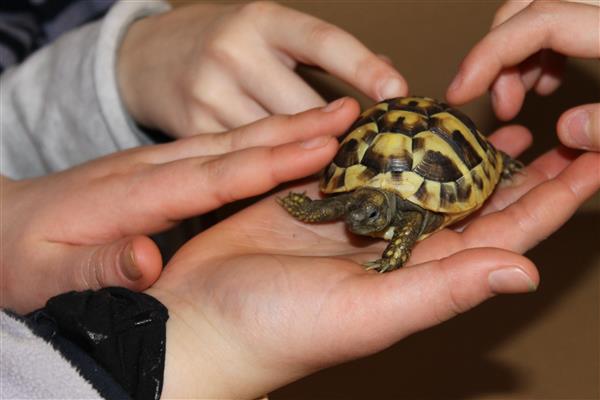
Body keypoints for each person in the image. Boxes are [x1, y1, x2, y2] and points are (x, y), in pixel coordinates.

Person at [1, 0, 598, 399]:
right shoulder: (353, 203)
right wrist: (205, 336)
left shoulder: (404, 214)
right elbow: (344, 204)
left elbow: (399, 220)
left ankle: (492, 160)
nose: (361, 218)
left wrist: (119, 70)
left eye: (365, 213)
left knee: (432, 201)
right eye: (357, 210)